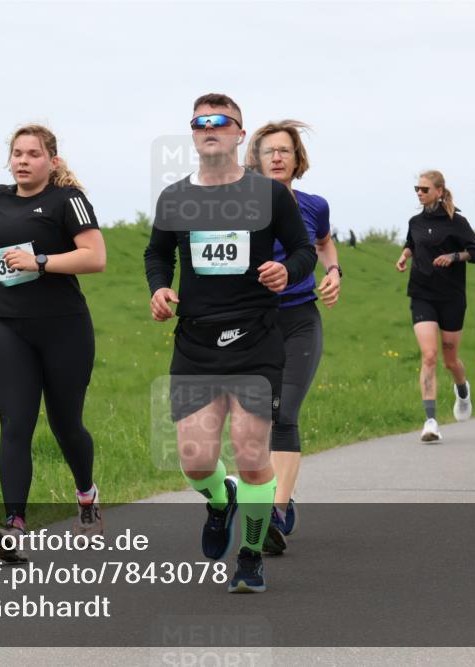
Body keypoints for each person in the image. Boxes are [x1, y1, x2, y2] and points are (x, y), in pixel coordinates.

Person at [144, 94, 316, 592]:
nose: (209, 127)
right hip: (196, 341)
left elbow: (304, 250)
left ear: (241, 135)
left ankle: (250, 555)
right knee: (196, 460)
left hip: (256, 338)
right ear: (193, 134)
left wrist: (288, 269)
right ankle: (220, 501)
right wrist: (159, 288)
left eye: (221, 121)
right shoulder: (175, 197)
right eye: (200, 122)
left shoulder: (268, 195)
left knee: (250, 452)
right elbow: (157, 254)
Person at [0, 124, 107, 562]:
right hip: (9, 328)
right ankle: (13, 525)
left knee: (66, 425)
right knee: (15, 425)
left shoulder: (69, 202)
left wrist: (40, 261)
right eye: (17, 153)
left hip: (64, 329)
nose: (23, 161)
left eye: (33, 154)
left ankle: (86, 495)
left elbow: (95, 257)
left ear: (52, 160)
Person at [243, 120, 340, 554]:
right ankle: (271, 496)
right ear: (256, 160)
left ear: (298, 160)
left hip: (300, 318)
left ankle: (274, 514)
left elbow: (324, 243)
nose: (278, 157)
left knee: (283, 412)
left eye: (286, 150)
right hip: (251, 323)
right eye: (269, 151)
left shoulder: (315, 204)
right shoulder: (237, 205)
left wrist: (334, 271)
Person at [395, 170, 475, 442]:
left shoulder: (456, 222)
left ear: (439, 191)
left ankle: (462, 389)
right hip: (422, 293)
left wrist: (454, 256)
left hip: (452, 297)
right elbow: (412, 243)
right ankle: (431, 421)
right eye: (417, 189)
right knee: (429, 355)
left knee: (449, 359)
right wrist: (403, 256)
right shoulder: (415, 221)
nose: (419, 193)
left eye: (424, 189)